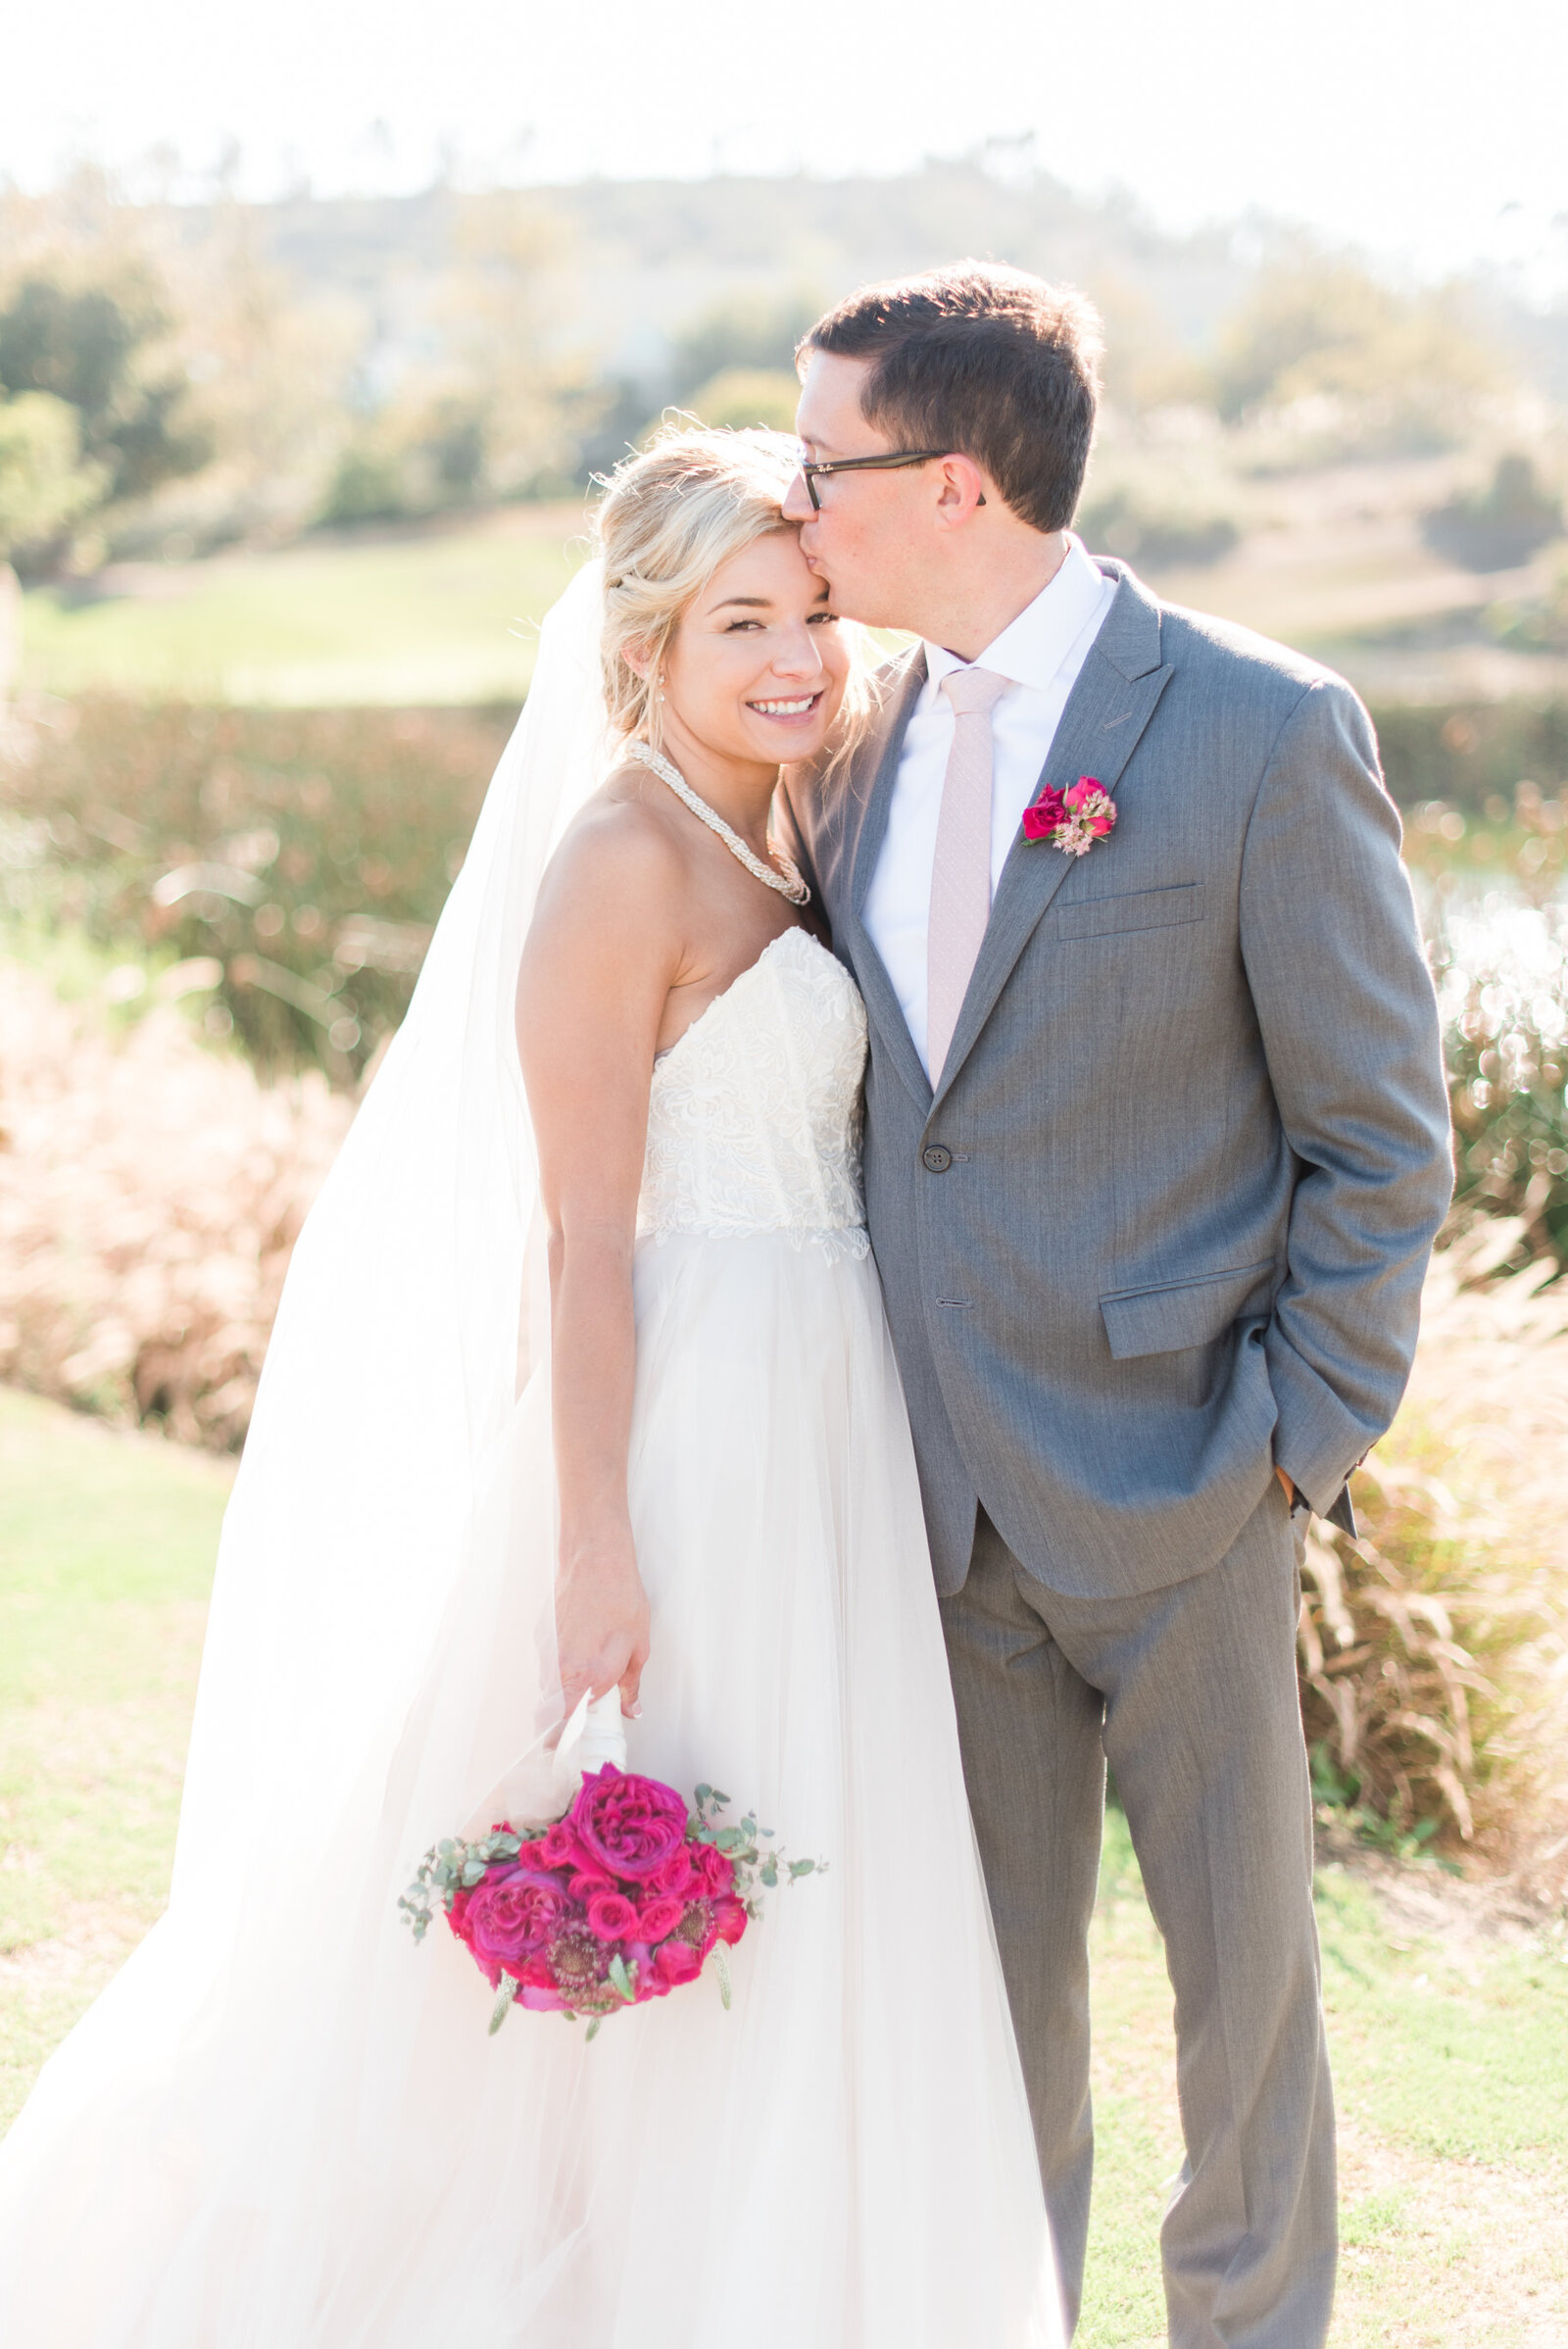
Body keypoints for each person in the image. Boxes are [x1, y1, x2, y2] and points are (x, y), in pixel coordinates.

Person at [0, 428, 1064, 2348]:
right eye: (741, 619)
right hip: (697, 1424)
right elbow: (582, 1240)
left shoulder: (784, 822)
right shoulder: (615, 858)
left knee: (811, 1872)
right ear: (643, 635)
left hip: (824, 1411)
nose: (795, 656)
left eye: (813, 612)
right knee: (685, 1840)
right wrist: (593, 1543)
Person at [775, 261, 1454, 2349]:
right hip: (936, 1493)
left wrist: (1289, 1437)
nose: (795, 509)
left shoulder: (1255, 727)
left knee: (1239, 2006)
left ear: (954, 484)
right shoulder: (855, 738)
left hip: (1186, 1477)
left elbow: (1377, 1135)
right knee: (990, 2009)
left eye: (823, 468)